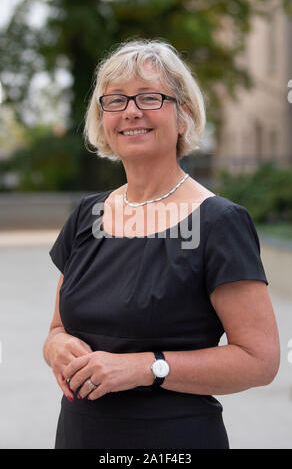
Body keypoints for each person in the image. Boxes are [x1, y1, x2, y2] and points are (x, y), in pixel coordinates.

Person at [43, 39, 280, 449]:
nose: (131, 111)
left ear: (184, 114)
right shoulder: (87, 216)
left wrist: (146, 368)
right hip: (80, 436)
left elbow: (259, 361)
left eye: (149, 97)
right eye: (115, 100)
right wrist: (57, 348)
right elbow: (57, 329)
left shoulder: (220, 222)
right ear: (103, 120)